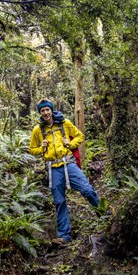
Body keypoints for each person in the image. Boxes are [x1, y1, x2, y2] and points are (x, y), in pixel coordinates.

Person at [29, 98, 100, 243]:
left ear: (51, 110)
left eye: (47, 109)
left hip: (69, 164)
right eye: (42, 111)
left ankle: (104, 214)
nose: (46, 113)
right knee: (59, 201)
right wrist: (41, 147)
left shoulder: (64, 123)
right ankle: (64, 236)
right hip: (53, 168)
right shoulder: (38, 130)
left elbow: (80, 135)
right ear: (40, 113)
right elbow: (32, 150)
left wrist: (71, 143)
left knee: (86, 189)